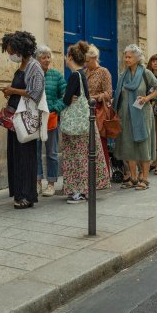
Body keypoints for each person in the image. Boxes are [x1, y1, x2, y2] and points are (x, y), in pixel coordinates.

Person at [0, 31, 45, 209]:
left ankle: (27, 194)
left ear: (20, 49)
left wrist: (13, 91)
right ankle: (18, 192)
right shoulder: (23, 65)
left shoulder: (34, 67)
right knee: (16, 155)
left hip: (25, 120)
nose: (11, 55)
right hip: (15, 118)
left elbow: (35, 92)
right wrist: (9, 91)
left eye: (12, 52)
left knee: (25, 155)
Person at [62, 41, 110, 203]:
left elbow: (67, 100)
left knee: (76, 157)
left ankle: (79, 191)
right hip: (84, 122)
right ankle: (83, 189)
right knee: (83, 156)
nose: (65, 59)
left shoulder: (74, 76)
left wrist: (63, 97)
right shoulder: (82, 74)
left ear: (70, 57)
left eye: (66, 56)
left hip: (76, 125)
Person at [114, 45, 157, 190]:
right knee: (128, 147)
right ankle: (133, 178)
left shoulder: (146, 73)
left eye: (129, 57)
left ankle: (145, 179)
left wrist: (146, 98)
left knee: (143, 146)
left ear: (137, 58)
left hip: (142, 115)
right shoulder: (124, 75)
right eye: (125, 56)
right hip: (126, 116)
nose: (126, 59)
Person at [35, 45, 65, 197]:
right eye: (43, 57)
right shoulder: (33, 75)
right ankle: (37, 182)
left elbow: (64, 95)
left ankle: (51, 184)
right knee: (35, 152)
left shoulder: (57, 75)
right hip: (35, 118)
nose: (47, 60)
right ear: (37, 59)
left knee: (52, 152)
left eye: (48, 57)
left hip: (51, 118)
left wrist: (55, 109)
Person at [85, 45, 113, 173]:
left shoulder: (103, 72)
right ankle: (88, 175)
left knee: (100, 143)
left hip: (97, 111)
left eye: (88, 61)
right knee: (86, 144)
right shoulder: (83, 72)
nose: (86, 64)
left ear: (95, 57)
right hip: (84, 111)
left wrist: (93, 97)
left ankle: (103, 175)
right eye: (84, 61)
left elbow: (108, 94)